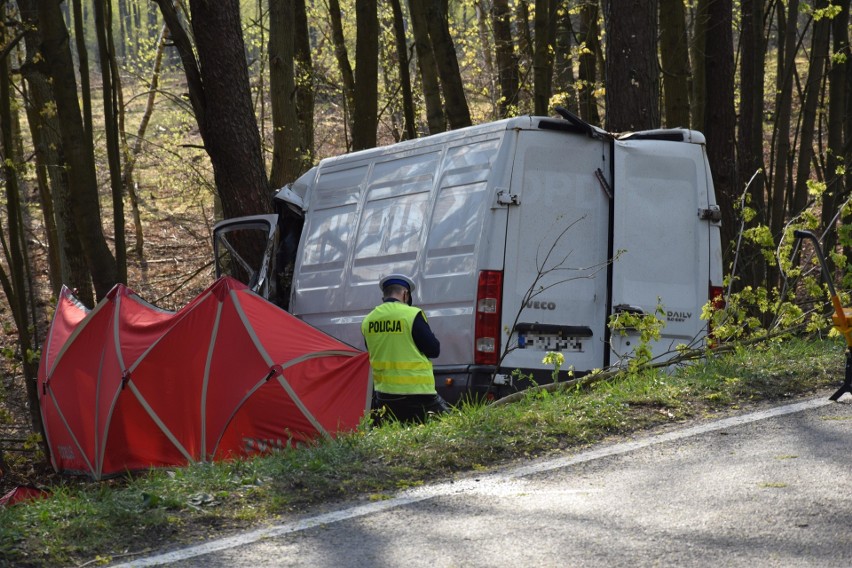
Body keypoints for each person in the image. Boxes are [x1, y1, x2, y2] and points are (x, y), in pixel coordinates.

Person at [361, 274, 450, 423]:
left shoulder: (368, 320)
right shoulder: (411, 314)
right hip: (418, 394)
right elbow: (434, 350)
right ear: (405, 294)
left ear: (385, 294)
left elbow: (373, 350)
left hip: (385, 395)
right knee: (450, 427)